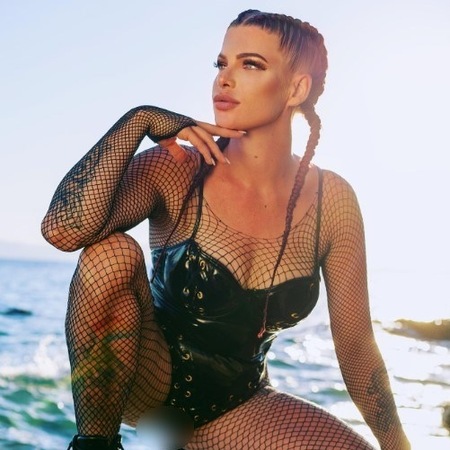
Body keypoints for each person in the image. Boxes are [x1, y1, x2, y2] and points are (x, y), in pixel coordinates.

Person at [41, 9, 411, 450]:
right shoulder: (179, 167)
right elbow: (63, 231)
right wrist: (137, 121)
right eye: (221, 63)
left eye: (250, 64)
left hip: (241, 402)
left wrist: (399, 446)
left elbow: (356, 347)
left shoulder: (332, 200)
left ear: (296, 88)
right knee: (111, 254)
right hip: (148, 378)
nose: (224, 79)